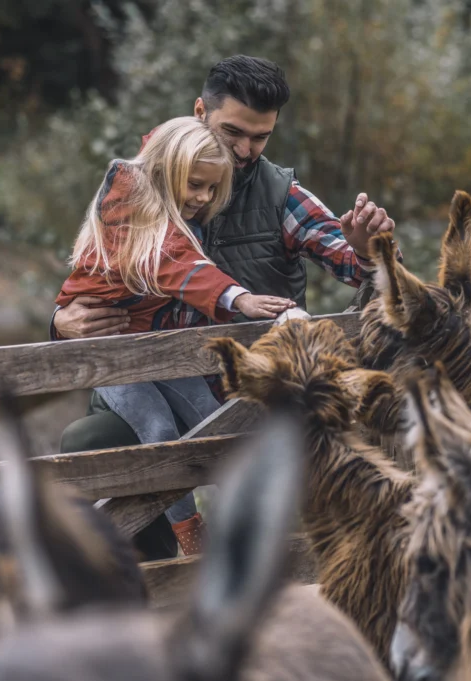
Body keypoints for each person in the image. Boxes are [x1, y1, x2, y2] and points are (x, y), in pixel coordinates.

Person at [51, 55, 402, 559]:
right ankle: (150, 573)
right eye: (233, 132)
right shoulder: (144, 186)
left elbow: (354, 264)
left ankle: (285, 565)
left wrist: (372, 251)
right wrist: (61, 323)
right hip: (146, 380)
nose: (244, 150)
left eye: (260, 137)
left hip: (242, 392)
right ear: (200, 112)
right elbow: (93, 276)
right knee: (90, 443)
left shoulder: (280, 195)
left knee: (296, 452)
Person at [55, 116, 295, 555]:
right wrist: (239, 299)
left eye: (210, 190)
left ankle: (248, 519)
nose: (202, 199)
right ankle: (190, 533)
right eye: (195, 185)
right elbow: (177, 264)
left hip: (154, 349)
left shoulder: (168, 200)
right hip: (115, 356)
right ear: (166, 172)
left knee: (213, 416)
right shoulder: (132, 215)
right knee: (159, 427)